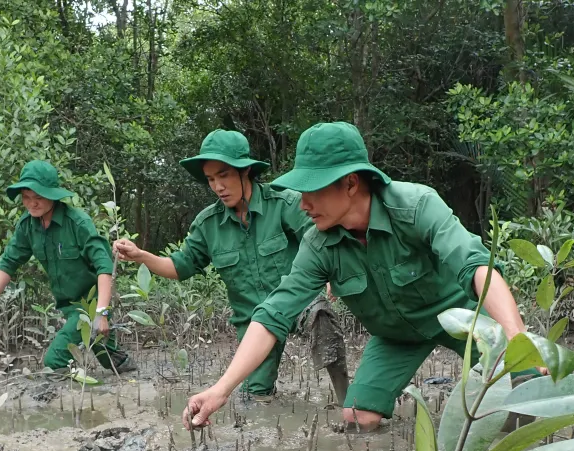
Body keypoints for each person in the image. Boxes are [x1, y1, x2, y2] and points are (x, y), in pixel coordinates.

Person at [184, 121, 537, 432]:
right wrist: (221, 389)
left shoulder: (415, 206)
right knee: (356, 419)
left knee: (524, 399)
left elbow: (477, 267)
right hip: (396, 336)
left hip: (460, 317)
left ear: (351, 184)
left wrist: (516, 335)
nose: (302, 204)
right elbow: (274, 314)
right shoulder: (318, 243)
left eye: (312, 190)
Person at [113, 130, 347, 400]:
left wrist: (331, 272)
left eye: (223, 175)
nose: (217, 186)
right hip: (254, 321)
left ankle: (347, 401)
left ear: (245, 170)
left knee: (321, 316)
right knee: (253, 398)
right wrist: (141, 255)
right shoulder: (207, 224)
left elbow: (320, 233)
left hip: (296, 303)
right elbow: (179, 267)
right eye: (211, 179)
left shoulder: (283, 203)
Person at [0, 160, 134, 373]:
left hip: (92, 303)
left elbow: (104, 266)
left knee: (54, 361)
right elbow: (8, 263)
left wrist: (101, 313)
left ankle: (75, 402)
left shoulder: (78, 223)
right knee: (109, 356)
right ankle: (128, 371)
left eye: (39, 197)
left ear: (52, 195)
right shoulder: (27, 226)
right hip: (67, 304)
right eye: (26, 197)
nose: (32, 204)